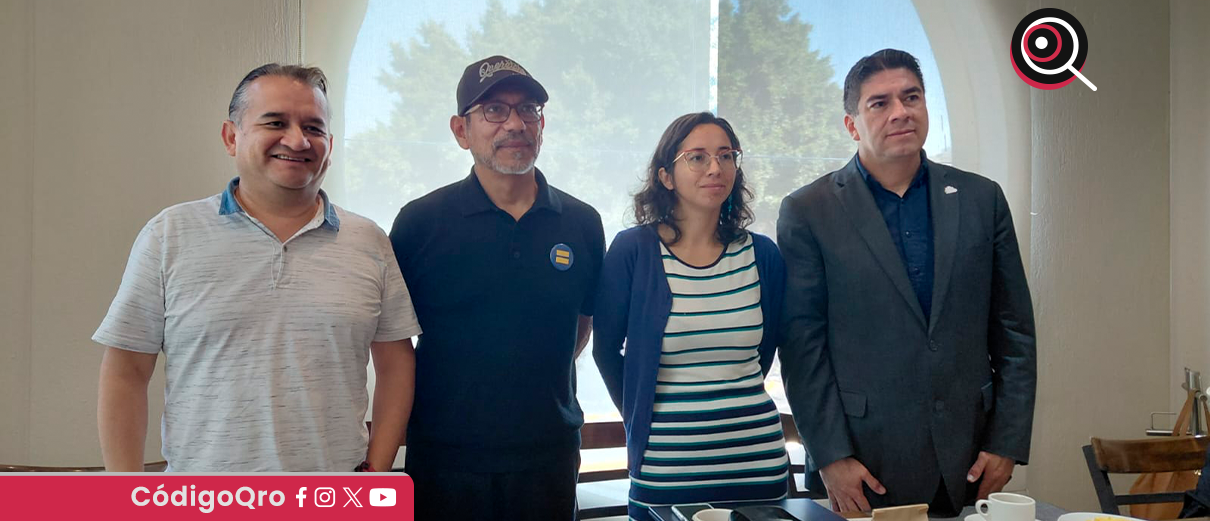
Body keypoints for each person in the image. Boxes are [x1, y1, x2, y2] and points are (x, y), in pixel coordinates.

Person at [94, 64, 420, 472]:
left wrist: (376, 470)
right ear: (232, 137)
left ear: (330, 146)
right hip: (201, 502)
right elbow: (126, 372)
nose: (298, 139)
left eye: (314, 128)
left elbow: (396, 363)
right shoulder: (169, 235)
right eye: (276, 122)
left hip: (333, 502)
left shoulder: (368, 241)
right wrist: (126, 497)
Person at [776, 49, 1037, 515]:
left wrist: (1007, 441)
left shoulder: (981, 199)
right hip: (862, 463)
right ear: (852, 124)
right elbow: (801, 347)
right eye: (879, 103)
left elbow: (1014, 331)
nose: (900, 112)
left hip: (969, 458)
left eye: (911, 97)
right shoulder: (808, 211)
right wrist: (832, 456)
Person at [387, 55, 604, 521]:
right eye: (493, 111)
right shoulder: (420, 223)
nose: (515, 123)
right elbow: (391, 340)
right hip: (445, 460)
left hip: (548, 456)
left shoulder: (582, 223)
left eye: (528, 109)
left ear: (542, 126)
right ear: (460, 130)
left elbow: (580, 325)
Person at [594, 112, 789, 520]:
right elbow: (606, 351)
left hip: (757, 467)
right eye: (697, 157)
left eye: (726, 155)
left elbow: (764, 351)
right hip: (666, 472)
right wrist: (638, 416)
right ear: (666, 176)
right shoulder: (633, 251)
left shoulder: (763, 255)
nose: (715, 168)